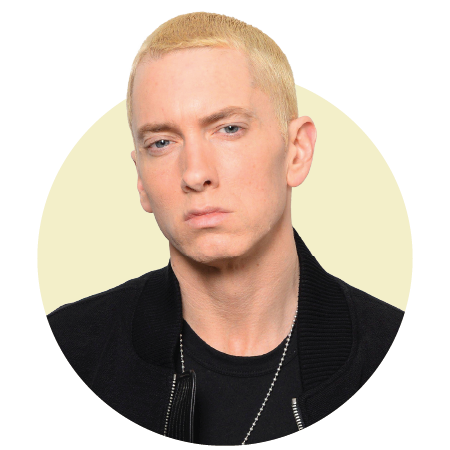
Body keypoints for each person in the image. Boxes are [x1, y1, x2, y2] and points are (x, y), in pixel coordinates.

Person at [47, 11, 404, 445]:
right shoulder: (64, 351)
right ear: (141, 179)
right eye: (162, 142)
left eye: (229, 129)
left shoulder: (400, 354)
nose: (195, 173)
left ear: (296, 151)